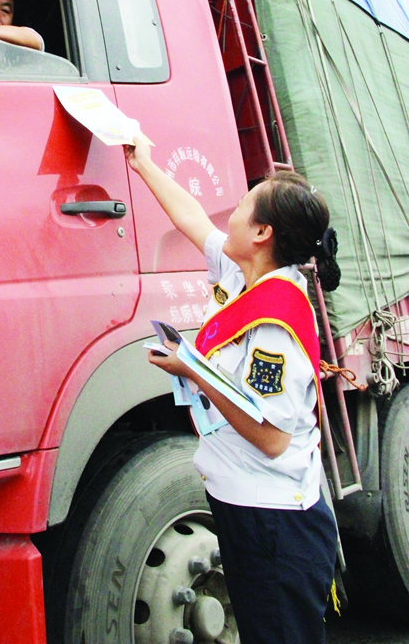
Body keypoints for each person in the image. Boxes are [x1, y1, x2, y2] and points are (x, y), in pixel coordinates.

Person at [124, 136, 340, 644]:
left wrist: (194, 370)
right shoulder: (242, 272)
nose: (232, 213)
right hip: (245, 507)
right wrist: (143, 163)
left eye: (242, 206)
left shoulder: (277, 320)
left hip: (275, 524)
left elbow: (272, 438)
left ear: (262, 233)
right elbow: (192, 218)